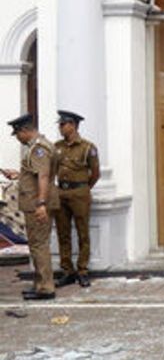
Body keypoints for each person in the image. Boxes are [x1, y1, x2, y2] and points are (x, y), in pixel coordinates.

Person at [1, 114, 61, 300]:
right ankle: (39, 284)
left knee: (38, 245)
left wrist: (41, 203)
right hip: (36, 201)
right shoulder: (41, 146)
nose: (17, 138)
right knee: (37, 245)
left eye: (17, 134)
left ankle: (46, 288)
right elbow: (36, 175)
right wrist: (20, 175)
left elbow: (43, 176)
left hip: (37, 204)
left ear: (25, 131)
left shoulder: (39, 149)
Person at [52, 109, 99, 288]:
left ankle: (82, 270)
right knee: (63, 234)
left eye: (63, 124)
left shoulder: (88, 148)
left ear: (73, 125)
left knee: (82, 233)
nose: (60, 128)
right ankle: (67, 271)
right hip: (61, 194)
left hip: (79, 194)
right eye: (60, 125)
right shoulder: (56, 147)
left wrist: (83, 188)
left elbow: (95, 174)